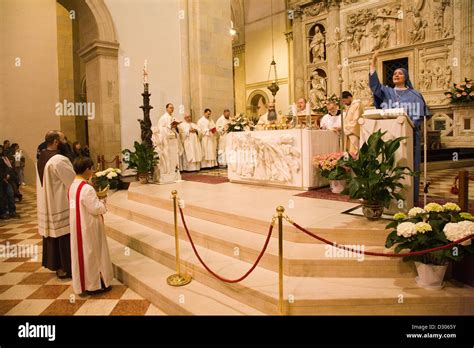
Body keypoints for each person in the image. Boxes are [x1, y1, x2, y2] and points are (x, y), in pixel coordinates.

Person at [369, 50, 430, 205]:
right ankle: (389, 197)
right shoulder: (387, 91)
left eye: (400, 74)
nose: (396, 75)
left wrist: (410, 126)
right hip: (390, 134)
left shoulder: (415, 94)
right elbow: (375, 86)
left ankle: (410, 198)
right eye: (394, 73)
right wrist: (373, 64)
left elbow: (418, 116)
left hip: (410, 136)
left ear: (406, 77)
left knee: (408, 165)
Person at [69, 156, 113, 295]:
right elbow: (96, 209)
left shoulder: (73, 185)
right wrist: (103, 201)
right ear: (87, 169)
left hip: (78, 225)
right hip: (89, 226)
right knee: (93, 254)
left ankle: (86, 283)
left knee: (84, 254)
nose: (93, 171)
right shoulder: (86, 188)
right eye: (91, 168)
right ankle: (95, 285)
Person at [37, 130, 76, 279]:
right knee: (63, 235)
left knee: (55, 234)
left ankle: (58, 266)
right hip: (60, 202)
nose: (65, 142)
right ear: (55, 142)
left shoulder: (43, 156)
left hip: (49, 202)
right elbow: (72, 182)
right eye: (63, 139)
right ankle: (66, 267)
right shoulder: (58, 159)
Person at [153, 103, 182, 176]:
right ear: (166, 108)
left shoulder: (174, 117)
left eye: (173, 108)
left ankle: (175, 171)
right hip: (166, 139)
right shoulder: (163, 118)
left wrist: (176, 127)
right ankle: (169, 171)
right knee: (168, 155)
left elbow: (178, 129)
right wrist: (169, 127)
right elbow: (160, 128)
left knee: (174, 155)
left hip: (173, 139)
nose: (172, 109)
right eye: (170, 108)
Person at [0, 145, 18, 219]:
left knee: (10, 194)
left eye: (1, 149)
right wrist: (4, 176)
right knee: (2, 197)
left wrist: (7, 175)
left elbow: (8, 167)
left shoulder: (4, 158)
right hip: (1, 179)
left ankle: (12, 212)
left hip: (7, 179)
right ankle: (3, 212)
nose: (0, 150)